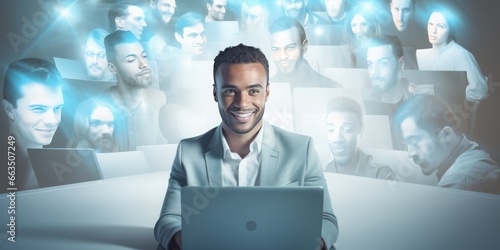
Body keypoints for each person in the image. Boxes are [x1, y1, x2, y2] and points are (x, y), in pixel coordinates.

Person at [154, 43, 338, 249]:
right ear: (215, 93)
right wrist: (183, 238)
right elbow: (167, 221)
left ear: (266, 93)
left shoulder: (301, 149)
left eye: (253, 91)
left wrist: (313, 242)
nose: (242, 103)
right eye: (231, 91)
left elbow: (326, 220)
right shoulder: (187, 152)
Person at [393, 94, 500, 194]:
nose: (410, 154)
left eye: (415, 142)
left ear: (445, 134)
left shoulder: (460, 181)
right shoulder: (469, 151)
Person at [2, 58, 64, 191]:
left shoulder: (67, 168)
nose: (52, 120)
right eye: (39, 109)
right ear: (9, 109)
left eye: (57, 108)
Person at [98, 30, 166, 151]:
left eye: (144, 56)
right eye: (131, 60)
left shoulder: (161, 101)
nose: (143, 64)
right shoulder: (95, 108)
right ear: (113, 68)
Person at [416, 9, 488, 103]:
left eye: (440, 26)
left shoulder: (461, 55)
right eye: (430, 24)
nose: (433, 30)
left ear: (450, 29)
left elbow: (480, 91)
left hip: (450, 112)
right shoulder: (420, 55)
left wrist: (449, 94)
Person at [324, 97, 396, 180]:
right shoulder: (319, 177)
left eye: (347, 130)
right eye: (331, 130)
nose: (337, 139)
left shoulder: (383, 176)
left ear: (361, 131)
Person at [269, 16, 342, 88]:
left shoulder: (330, 87)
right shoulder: (264, 89)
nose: (283, 56)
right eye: (276, 49)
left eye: (290, 48)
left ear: (304, 46)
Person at [343, 3, 382, 68]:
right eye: (354, 25)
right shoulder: (345, 50)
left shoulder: (382, 49)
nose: (359, 30)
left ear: (372, 26)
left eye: (363, 24)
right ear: (349, 27)